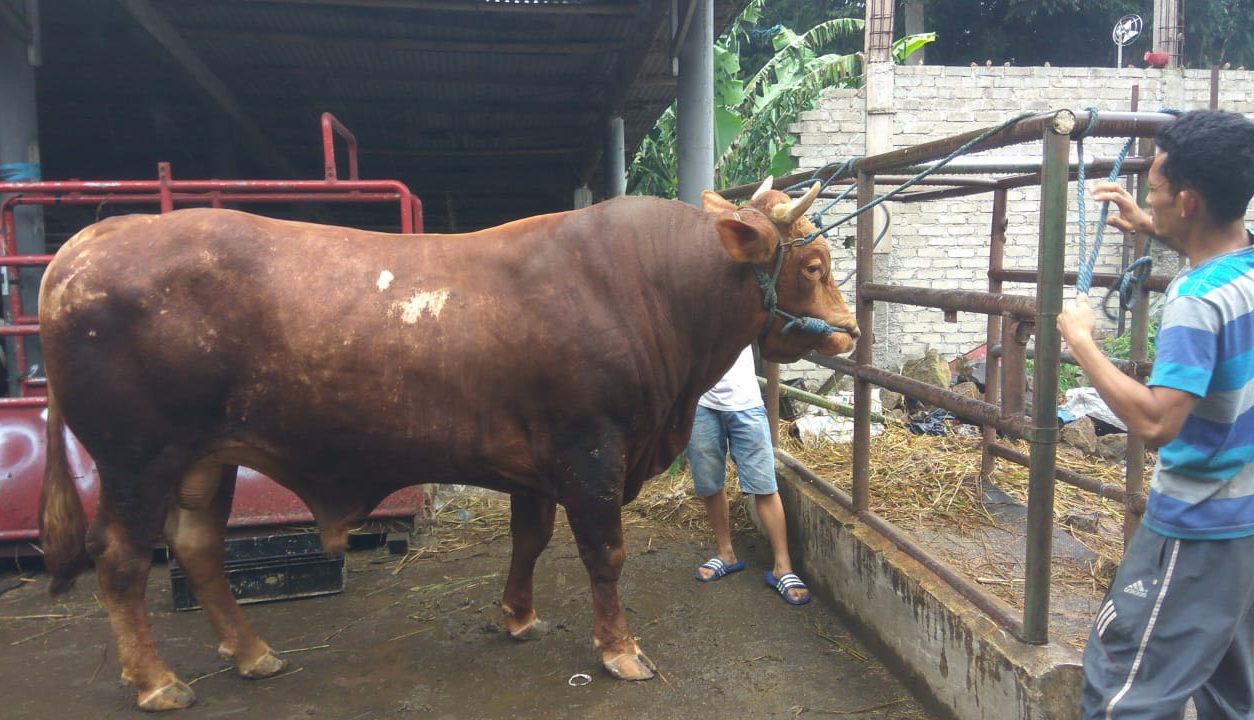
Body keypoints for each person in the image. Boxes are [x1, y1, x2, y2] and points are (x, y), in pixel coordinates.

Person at [1057, 109, 1254, 719]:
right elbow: (1212, 247)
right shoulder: (1243, 269)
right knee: (1232, 693)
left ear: (1189, 201)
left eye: (1158, 191)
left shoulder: (1194, 301)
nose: (1150, 198)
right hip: (1245, 521)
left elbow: (1154, 421)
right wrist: (1152, 227)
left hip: (1197, 524)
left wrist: (1082, 342)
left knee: (1123, 688)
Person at [686, 345, 810, 605]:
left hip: (746, 404)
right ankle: (725, 554)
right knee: (709, 484)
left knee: (764, 484)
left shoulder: (737, 302)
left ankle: (783, 567)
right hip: (702, 403)